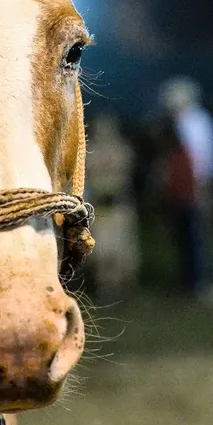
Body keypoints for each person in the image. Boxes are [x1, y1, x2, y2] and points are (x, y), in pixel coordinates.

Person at [159, 77, 213, 297]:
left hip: (195, 186)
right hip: (181, 187)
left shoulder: (196, 122)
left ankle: (201, 282)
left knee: (197, 234)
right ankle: (189, 280)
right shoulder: (177, 123)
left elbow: (204, 158)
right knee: (184, 234)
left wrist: (204, 186)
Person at [84, 111, 139, 300]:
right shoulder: (88, 152)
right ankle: (104, 285)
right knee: (101, 250)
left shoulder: (123, 150)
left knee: (120, 249)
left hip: (118, 206)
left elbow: (126, 178)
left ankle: (118, 286)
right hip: (100, 207)